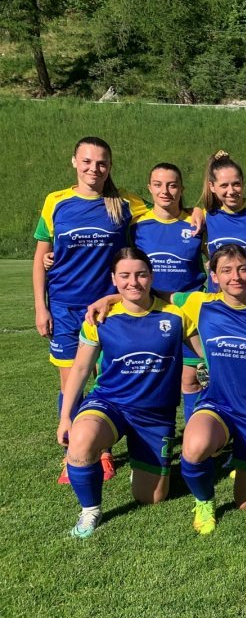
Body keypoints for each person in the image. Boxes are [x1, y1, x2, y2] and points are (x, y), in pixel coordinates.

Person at [57, 248, 198, 537]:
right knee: (81, 439)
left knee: (151, 497)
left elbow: (205, 355)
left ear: (151, 277)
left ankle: (142, 461)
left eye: (141, 274)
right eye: (124, 275)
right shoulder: (101, 318)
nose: (133, 282)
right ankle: (90, 510)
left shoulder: (175, 316)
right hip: (110, 403)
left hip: (155, 414)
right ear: (114, 279)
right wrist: (66, 417)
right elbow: (81, 370)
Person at [33, 136, 148, 484]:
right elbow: (41, 258)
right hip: (66, 309)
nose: (93, 169)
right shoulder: (56, 202)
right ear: (74, 162)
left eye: (101, 163)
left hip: (108, 310)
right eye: (86, 161)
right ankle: (73, 456)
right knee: (71, 386)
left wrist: (198, 212)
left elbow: (165, 212)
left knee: (105, 385)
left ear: (110, 166)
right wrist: (42, 307)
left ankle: (102, 452)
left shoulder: (125, 203)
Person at [177, 245, 246, 534]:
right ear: (214, 276)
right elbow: (157, 299)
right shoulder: (199, 304)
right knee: (193, 448)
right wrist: (113, 297)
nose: (235, 276)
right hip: (217, 404)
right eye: (226, 270)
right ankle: (204, 500)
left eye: (242, 269)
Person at [132, 163, 206, 421]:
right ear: (149, 188)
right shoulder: (137, 225)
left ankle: (194, 444)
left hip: (189, 317)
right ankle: (154, 442)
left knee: (191, 382)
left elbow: (218, 259)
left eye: (172, 185)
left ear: (182, 189)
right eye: (158, 185)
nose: (165, 191)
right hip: (151, 315)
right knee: (153, 383)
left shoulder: (197, 223)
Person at [200, 151, 246, 299]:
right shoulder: (205, 216)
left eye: (236, 184)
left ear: (243, 183)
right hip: (218, 300)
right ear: (212, 186)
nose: (231, 191)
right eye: (224, 185)